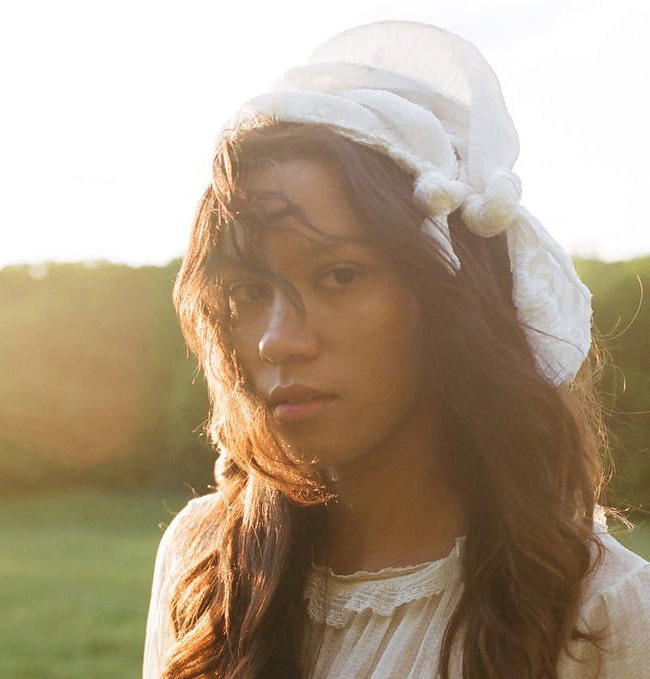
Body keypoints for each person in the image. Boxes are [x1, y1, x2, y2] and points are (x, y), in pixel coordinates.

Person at [143, 21, 650, 679]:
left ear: (446, 299)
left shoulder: (602, 610)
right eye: (244, 291)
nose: (275, 338)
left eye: (338, 275)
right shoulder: (206, 559)